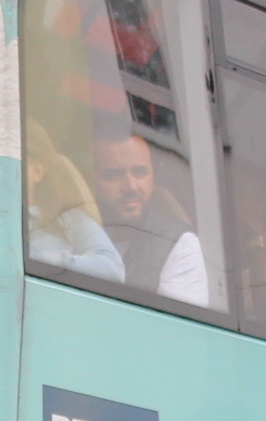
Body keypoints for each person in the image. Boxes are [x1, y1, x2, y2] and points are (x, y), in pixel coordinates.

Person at [94, 132, 209, 305]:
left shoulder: (179, 245)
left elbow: (176, 321)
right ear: (92, 181)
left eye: (139, 172)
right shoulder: (71, 235)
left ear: (154, 177)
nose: (131, 187)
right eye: (115, 175)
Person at [23, 125, 126, 281]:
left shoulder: (69, 220)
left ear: (38, 170)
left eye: (17, 157)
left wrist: (38, 261)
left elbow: (112, 269)